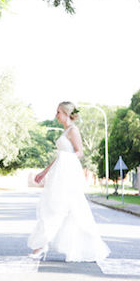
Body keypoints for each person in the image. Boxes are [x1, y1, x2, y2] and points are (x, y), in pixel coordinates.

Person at [27, 101, 110, 262]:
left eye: (58, 112)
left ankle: (41, 246)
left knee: (61, 208)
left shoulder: (73, 131)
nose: (56, 115)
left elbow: (80, 153)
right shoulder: (65, 132)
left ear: (66, 113)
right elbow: (60, 155)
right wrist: (45, 172)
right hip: (60, 174)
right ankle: (43, 245)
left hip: (68, 177)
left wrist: (65, 158)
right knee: (63, 209)